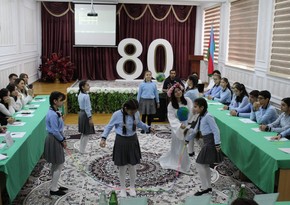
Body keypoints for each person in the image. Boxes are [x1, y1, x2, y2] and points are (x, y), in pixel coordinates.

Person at [99, 99, 153, 198]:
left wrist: (148, 128)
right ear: (125, 108)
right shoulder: (116, 115)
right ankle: (123, 188)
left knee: (133, 166)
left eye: (136, 111)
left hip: (133, 141)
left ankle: (132, 187)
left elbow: (139, 123)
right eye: (132, 111)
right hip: (121, 141)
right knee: (122, 167)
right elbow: (109, 126)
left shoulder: (136, 113)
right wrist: (103, 138)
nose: (134, 113)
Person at [185, 98, 221, 196]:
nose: (194, 108)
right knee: (205, 165)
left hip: (210, 142)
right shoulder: (201, 116)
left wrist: (217, 144)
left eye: (196, 106)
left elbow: (216, 130)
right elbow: (195, 130)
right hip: (206, 141)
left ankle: (205, 187)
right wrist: (187, 139)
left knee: (199, 164)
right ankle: (208, 187)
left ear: (202, 107)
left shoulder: (208, 116)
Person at [159, 83, 194, 174]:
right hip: (177, 128)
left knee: (184, 145)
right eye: (175, 92)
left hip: (186, 126)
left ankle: (184, 164)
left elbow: (191, 112)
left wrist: (188, 122)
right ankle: (176, 161)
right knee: (177, 144)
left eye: (179, 90)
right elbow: (171, 117)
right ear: (173, 95)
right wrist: (179, 125)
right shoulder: (171, 105)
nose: (178, 92)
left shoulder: (188, 100)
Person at [43, 91, 68, 196]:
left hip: (55, 138)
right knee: (59, 163)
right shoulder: (53, 114)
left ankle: (55, 184)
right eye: (61, 100)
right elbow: (55, 131)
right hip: (54, 139)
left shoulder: (55, 111)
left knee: (55, 162)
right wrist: (62, 140)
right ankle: (53, 188)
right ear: (55, 101)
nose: (63, 102)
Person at [78, 80, 95, 154]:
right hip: (85, 115)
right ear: (83, 87)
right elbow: (87, 108)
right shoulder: (86, 96)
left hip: (81, 113)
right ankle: (82, 150)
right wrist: (90, 118)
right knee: (86, 133)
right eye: (87, 85)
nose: (89, 86)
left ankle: (81, 149)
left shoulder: (80, 94)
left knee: (83, 133)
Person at [184, 75, 199, 156]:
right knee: (191, 130)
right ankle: (191, 150)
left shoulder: (190, 92)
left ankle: (190, 150)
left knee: (189, 130)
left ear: (191, 81)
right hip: (193, 112)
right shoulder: (195, 90)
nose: (187, 81)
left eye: (188, 80)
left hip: (190, 113)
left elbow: (183, 99)